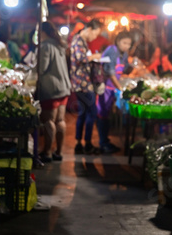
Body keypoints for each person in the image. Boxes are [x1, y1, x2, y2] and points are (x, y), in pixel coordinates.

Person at [37, 22, 71, 162]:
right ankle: (59, 152)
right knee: (60, 120)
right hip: (64, 87)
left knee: (48, 120)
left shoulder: (46, 46)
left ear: (43, 32)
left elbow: (42, 68)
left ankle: (47, 153)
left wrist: (32, 69)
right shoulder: (60, 44)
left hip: (51, 88)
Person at [96, 31, 133, 154]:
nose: (126, 46)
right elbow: (111, 73)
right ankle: (103, 143)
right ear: (118, 41)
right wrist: (120, 88)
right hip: (105, 87)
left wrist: (132, 66)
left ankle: (105, 141)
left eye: (129, 44)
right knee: (102, 114)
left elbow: (125, 69)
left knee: (108, 115)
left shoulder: (124, 54)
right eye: (124, 43)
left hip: (113, 88)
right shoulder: (112, 50)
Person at [70, 19, 102, 155]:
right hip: (83, 84)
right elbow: (80, 58)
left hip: (79, 83)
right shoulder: (78, 40)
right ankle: (87, 143)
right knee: (92, 113)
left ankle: (79, 144)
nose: (94, 37)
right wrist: (95, 56)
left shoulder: (79, 40)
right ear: (89, 29)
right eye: (95, 34)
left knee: (82, 114)